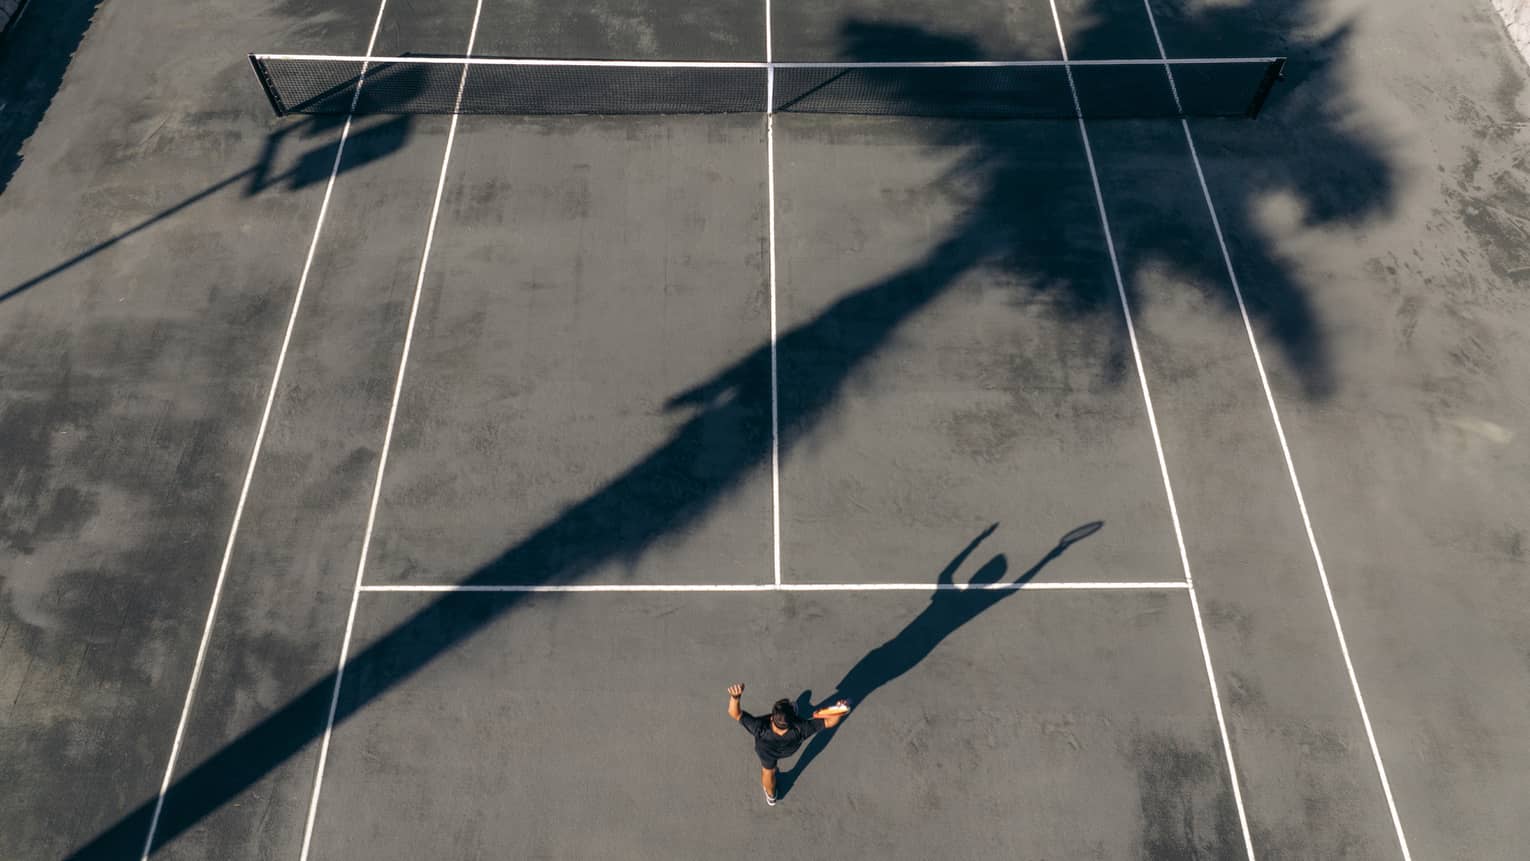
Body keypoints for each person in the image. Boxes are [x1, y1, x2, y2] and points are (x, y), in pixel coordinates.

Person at [727, 682, 849, 806]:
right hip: (789, 751)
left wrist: (735, 697)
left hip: (766, 752)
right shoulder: (802, 728)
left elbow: (735, 713)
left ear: (771, 718)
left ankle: (771, 796)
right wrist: (838, 711)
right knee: (769, 771)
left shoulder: (759, 727)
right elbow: (829, 723)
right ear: (793, 720)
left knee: (768, 772)